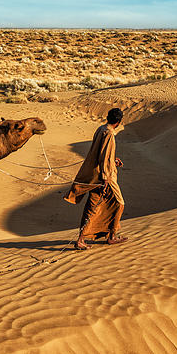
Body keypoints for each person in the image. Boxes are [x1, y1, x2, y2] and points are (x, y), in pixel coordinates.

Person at [64, 107, 128, 250]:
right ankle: (104, 237)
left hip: (96, 174)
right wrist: (105, 178)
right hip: (103, 177)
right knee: (118, 203)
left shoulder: (101, 129)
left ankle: (106, 236)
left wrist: (113, 160)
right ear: (118, 122)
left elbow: (102, 153)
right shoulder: (109, 134)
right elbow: (104, 156)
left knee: (94, 205)